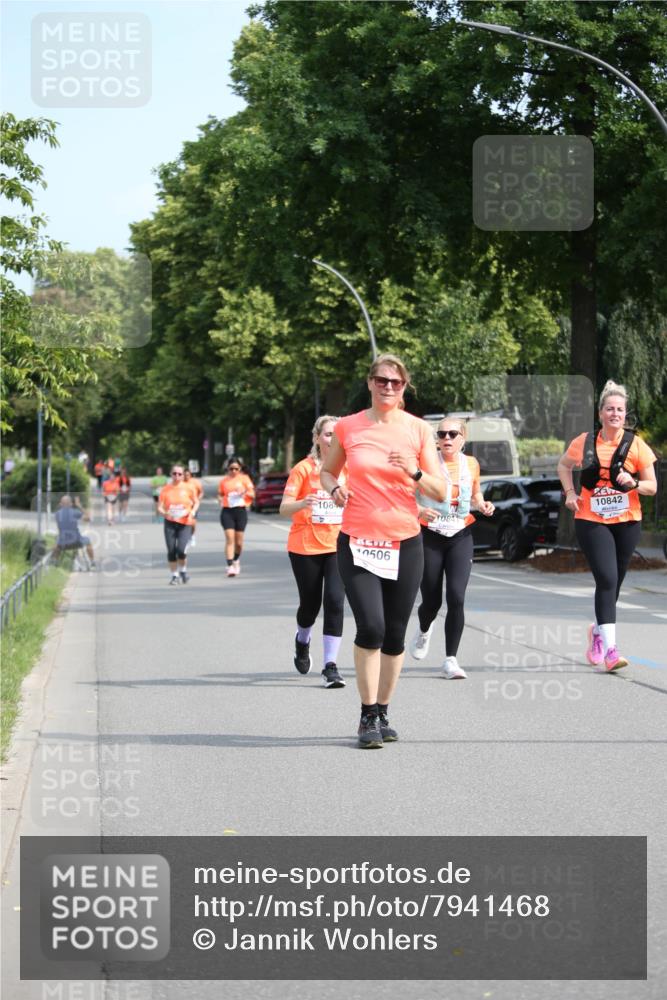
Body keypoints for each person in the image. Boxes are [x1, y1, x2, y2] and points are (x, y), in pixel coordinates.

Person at [321, 353, 446, 748]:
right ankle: (366, 714)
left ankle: (383, 711)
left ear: (404, 386)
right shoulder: (348, 426)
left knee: (394, 634)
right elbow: (327, 471)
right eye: (381, 380)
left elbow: (441, 492)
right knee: (371, 627)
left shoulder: (418, 430)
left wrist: (413, 471)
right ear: (370, 382)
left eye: (396, 382)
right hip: (358, 540)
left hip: (404, 541)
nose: (388, 387)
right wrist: (334, 488)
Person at [557, 380, 657, 671]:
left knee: (615, 582)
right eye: (610, 409)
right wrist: (570, 493)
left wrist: (633, 482)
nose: (615, 414)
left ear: (626, 414)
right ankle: (612, 652)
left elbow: (652, 487)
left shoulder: (636, 445)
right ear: (601, 413)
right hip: (591, 519)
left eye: (620, 410)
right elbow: (563, 466)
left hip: (627, 522)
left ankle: (598, 633)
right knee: (607, 579)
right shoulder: (585, 442)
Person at [410, 417, 495, 679]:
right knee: (431, 601)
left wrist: (482, 504)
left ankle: (450, 660)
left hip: (460, 533)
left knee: (456, 597)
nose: (446, 438)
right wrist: (420, 510)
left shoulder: (471, 463)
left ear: (463, 438)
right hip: (430, 534)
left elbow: (475, 492)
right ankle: (424, 629)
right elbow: (406, 496)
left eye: (452, 434)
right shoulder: (425, 463)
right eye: (442, 434)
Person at [280, 415, 346, 688]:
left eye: (337, 434)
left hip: (338, 545)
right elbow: (284, 508)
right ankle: (302, 640)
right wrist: (302, 503)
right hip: (305, 546)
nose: (333, 439)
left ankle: (330, 666)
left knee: (335, 602)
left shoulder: (349, 469)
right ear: (317, 438)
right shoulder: (303, 469)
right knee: (310, 606)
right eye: (328, 434)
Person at [157, 465, 199, 584]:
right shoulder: (165, 489)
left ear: (183, 475)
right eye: (174, 473)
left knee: (181, 550)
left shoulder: (188, 488)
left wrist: (192, 512)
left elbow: (196, 502)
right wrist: (165, 513)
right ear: (171, 474)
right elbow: (159, 507)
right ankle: (175, 576)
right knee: (171, 550)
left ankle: (183, 571)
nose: (177, 476)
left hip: (185, 522)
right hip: (170, 522)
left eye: (179, 474)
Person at [217, 457, 255, 577]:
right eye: (231, 468)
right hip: (227, 511)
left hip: (240, 511)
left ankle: (236, 560)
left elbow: (252, 494)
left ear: (240, 469)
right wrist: (220, 499)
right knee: (230, 539)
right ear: (227, 468)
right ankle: (229, 566)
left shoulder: (244, 478)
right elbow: (220, 495)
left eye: (236, 469)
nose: (233, 471)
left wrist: (244, 492)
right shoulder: (224, 481)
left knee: (238, 543)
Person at [53, 495, 96, 566]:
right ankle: (92, 562)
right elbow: (88, 518)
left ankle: (55, 561)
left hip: (62, 544)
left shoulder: (57, 514)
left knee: (57, 540)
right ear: (71, 504)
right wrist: (79, 505)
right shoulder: (75, 512)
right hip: (76, 542)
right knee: (88, 541)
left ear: (61, 504)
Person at [183, 469, 204, 547]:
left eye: (187, 475)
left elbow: (201, 492)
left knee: (193, 523)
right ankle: (185, 537)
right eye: (184, 475)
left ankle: (192, 537)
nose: (186, 477)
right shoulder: (181, 483)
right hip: (184, 506)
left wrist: (198, 499)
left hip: (193, 505)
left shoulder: (195, 482)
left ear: (190, 475)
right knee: (184, 523)